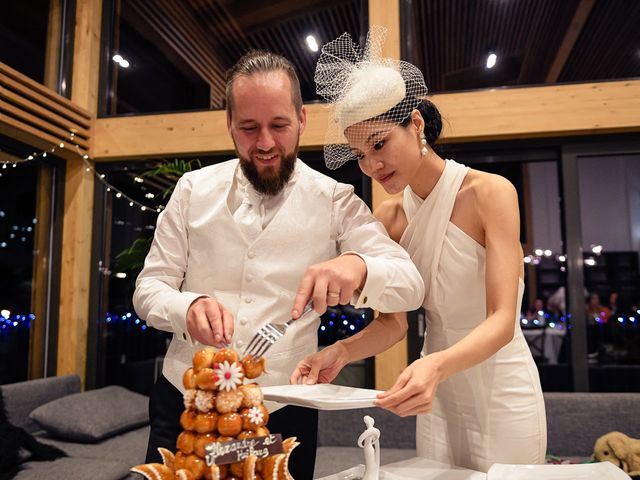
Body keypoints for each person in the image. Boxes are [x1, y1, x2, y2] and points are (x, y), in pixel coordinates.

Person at [132, 49, 424, 479]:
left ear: (302, 120)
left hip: (282, 413)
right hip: (185, 404)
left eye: (279, 125)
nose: (265, 143)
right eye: (249, 128)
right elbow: (149, 287)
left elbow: (410, 286)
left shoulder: (335, 200)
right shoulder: (192, 190)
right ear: (229, 124)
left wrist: (359, 267)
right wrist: (186, 307)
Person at [292, 27, 546, 472]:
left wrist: (436, 366)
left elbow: (503, 320)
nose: (371, 165)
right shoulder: (389, 219)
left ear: (415, 124)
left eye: (379, 144)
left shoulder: (490, 192)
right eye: (359, 155)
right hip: (435, 394)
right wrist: (341, 351)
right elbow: (393, 325)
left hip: (501, 385)